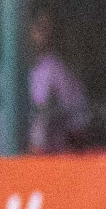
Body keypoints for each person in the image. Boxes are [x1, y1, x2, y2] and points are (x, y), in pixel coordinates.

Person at [28, 9, 91, 152]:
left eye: (44, 29)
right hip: (5, 161)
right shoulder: (6, 69)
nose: (40, 35)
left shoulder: (56, 69)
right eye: (37, 27)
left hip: (47, 158)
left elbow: (77, 124)